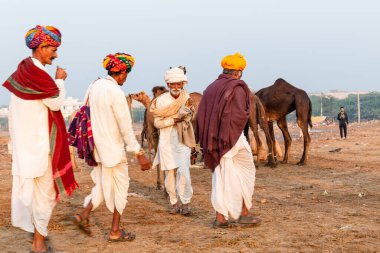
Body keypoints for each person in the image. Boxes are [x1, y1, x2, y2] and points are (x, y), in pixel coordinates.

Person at [2, 25, 78, 253]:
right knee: (44, 196)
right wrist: (61, 80)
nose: (55, 55)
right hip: (41, 148)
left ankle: (38, 239)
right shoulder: (39, 75)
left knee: (32, 195)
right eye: (53, 49)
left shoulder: (21, 73)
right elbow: (55, 102)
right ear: (42, 47)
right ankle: (38, 244)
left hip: (24, 148)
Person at [72, 53, 151, 242]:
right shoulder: (115, 92)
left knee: (102, 183)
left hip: (96, 149)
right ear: (122, 72)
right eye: (126, 74)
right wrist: (139, 153)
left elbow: (84, 111)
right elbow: (125, 126)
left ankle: (83, 214)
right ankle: (115, 231)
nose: (126, 78)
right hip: (113, 151)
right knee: (120, 189)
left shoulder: (94, 85)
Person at [197, 53, 261, 228]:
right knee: (239, 173)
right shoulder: (237, 86)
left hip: (213, 141)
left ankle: (222, 217)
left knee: (222, 176)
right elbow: (240, 115)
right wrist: (228, 137)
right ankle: (242, 214)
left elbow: (201, 116)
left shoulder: (210, 88)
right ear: (238, 72)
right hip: (231, 138)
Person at [150, 67, 195, 215]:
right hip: (166, 140)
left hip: (183, 139)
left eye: (179, 84)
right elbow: (157, 123)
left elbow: (190, 118)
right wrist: (175, 118)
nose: (176, 87)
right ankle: (174, 202)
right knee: (169, 173)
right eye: (173, 84)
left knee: (184, 171)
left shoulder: (187, 98)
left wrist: (186, 115)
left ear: (183, 83)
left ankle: (186, 202)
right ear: (168, 84)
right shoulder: (160, 101)